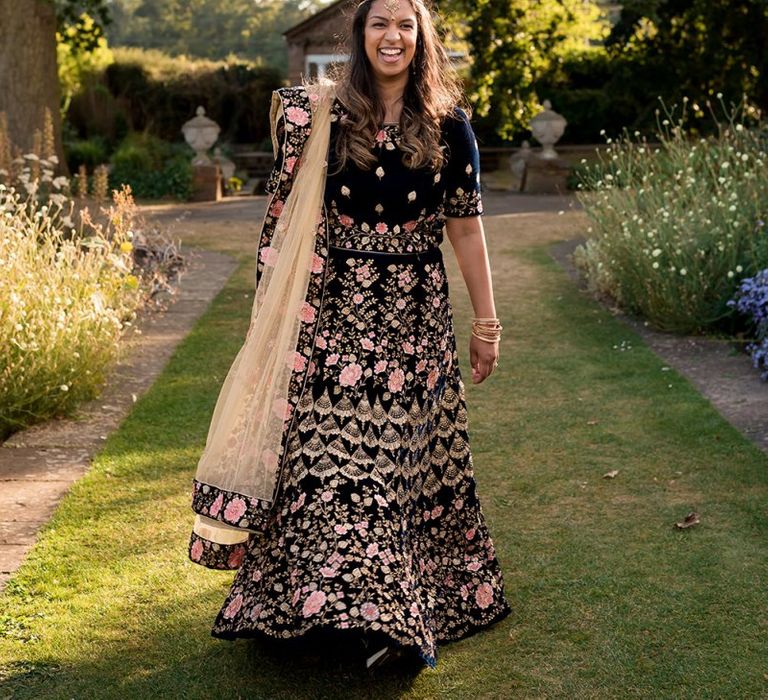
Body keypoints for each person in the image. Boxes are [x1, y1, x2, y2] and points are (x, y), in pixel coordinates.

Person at [188, 0, 511, 670]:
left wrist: (486, 322)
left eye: (404, 24)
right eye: (378, 24)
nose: (392, 36)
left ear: (421, 37)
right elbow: (289, 215)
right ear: (360, 37)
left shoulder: (451, 125)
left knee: (390, 469)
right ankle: (312, 614)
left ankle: (387, 623)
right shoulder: (321, 119)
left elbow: (465, 228)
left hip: (412, 322)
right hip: (331, 317)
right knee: (322, 464)